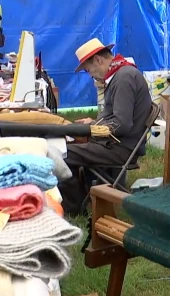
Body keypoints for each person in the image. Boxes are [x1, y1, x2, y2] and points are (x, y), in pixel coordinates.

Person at [57, 38, 153, 216]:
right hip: (119, 144)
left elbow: (121, 125)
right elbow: (118, 120)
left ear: (98, 61)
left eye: (88, 71)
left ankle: (74, 210)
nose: (91, 76)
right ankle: (86, 199)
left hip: (120, 148)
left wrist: (91, 128)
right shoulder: (123, 74)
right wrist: (92, 124)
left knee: (61, 154)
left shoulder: (123, 78)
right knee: (67, 147)